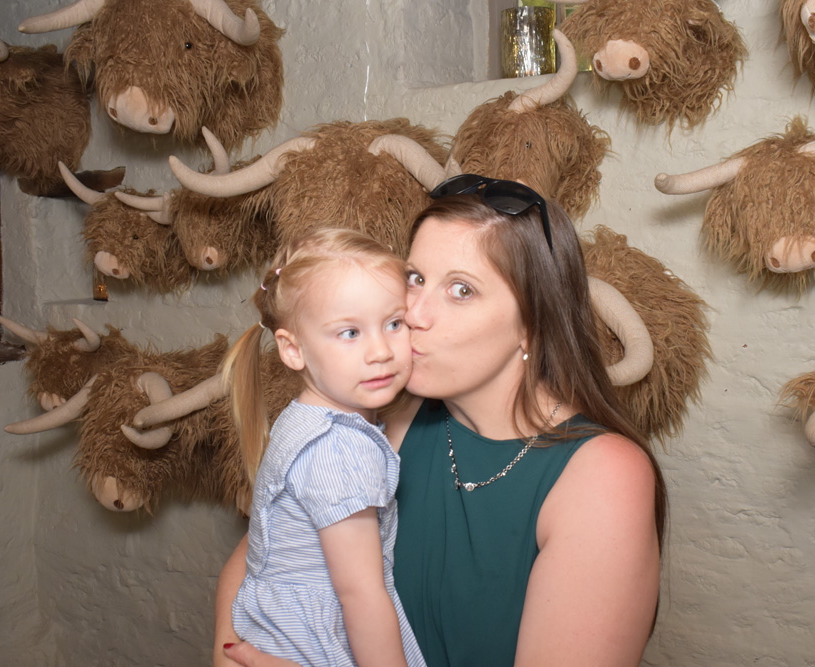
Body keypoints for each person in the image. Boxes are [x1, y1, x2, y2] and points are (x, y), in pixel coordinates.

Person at [216, 175, 668, 667]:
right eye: (414, 279)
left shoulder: (605, 477)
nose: (413, 314)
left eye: (460, 290)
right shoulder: (392, 412)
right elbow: (267, 553)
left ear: (533, 325)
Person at [219, 227, 425, 666]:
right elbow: (361, 593)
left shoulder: (309, 417)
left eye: (394, 323)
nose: (381, 351)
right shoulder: (338, 449)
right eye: (349, 333)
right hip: (316, 643)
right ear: (293, 350)